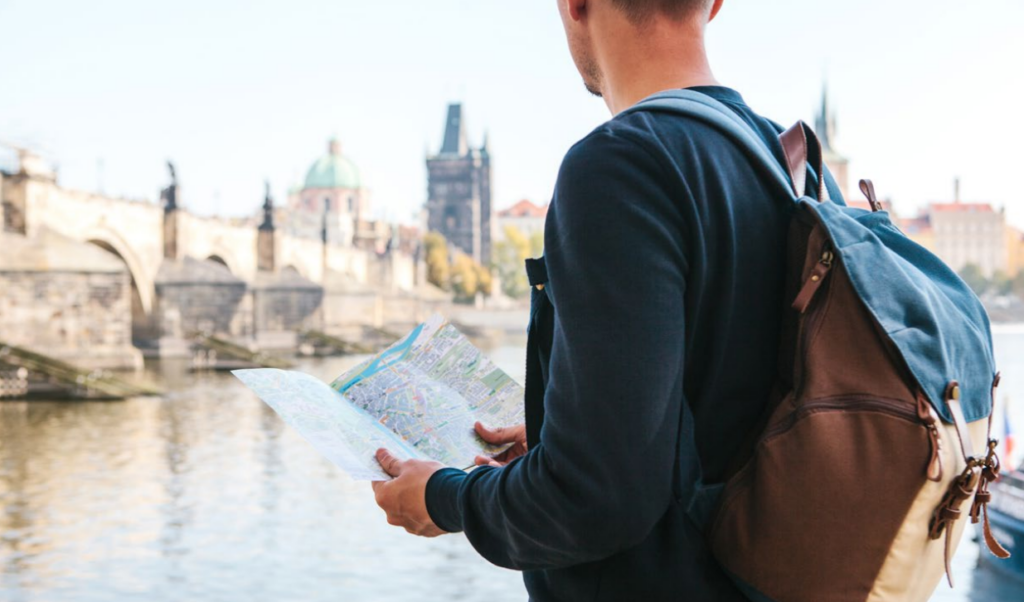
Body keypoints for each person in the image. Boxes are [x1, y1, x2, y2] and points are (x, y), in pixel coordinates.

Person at [372, 0, 843, 599]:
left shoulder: (620, 166)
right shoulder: (791, 164)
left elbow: (597, 499)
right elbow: (722, 416)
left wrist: (444, 498)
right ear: (716, 4)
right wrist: (560, 437)